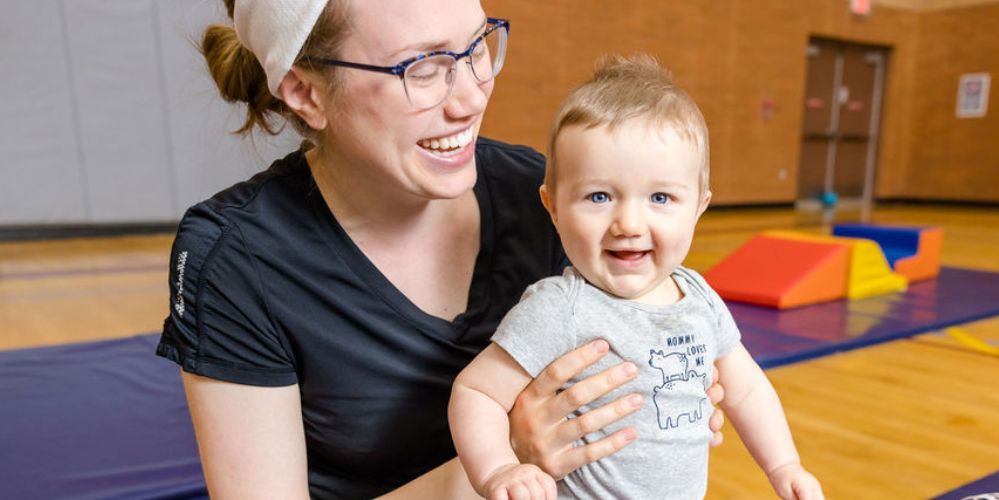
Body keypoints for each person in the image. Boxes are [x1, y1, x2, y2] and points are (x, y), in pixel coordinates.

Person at [155, 1, 726, 498]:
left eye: (478, 46)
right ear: (306, 92)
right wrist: (508, 457)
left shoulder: (541, 198)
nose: (470, 98)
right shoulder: (235, 260)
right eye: (422, 68)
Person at [449, 55, 823, 500]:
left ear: (699, 206)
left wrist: (784, 464)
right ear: (552, 206)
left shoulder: (699, 299)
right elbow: (476, 391)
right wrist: (499, 470)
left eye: (660, 197)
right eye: (599, 196)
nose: (628, 222)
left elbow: (747, 390)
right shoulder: (560, 308)